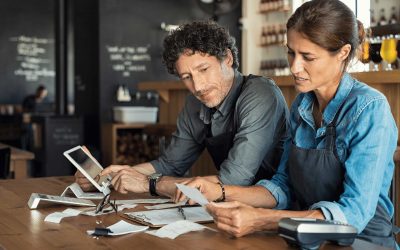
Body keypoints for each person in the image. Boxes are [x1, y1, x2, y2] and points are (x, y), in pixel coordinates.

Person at [175, 1, 399, 248]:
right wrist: (218, 191)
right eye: (291, 52)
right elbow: (283, 186)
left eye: (308, 57)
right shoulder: (302, 105)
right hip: (307, 239)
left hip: (363, 242)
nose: (294, 67)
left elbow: (353, 215)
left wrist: (263, 220)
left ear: (343, 53)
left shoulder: (370, 108)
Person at [75, 21, 289, 198]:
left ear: (228, 59)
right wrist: (111, 177)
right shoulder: (194, 103)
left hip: (276, 207)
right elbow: (170, 164)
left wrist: (149, 184)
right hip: (231, 207)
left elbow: (233, 180)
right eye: (187, 77)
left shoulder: (260, 94)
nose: (198, 86)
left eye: (204, 70)